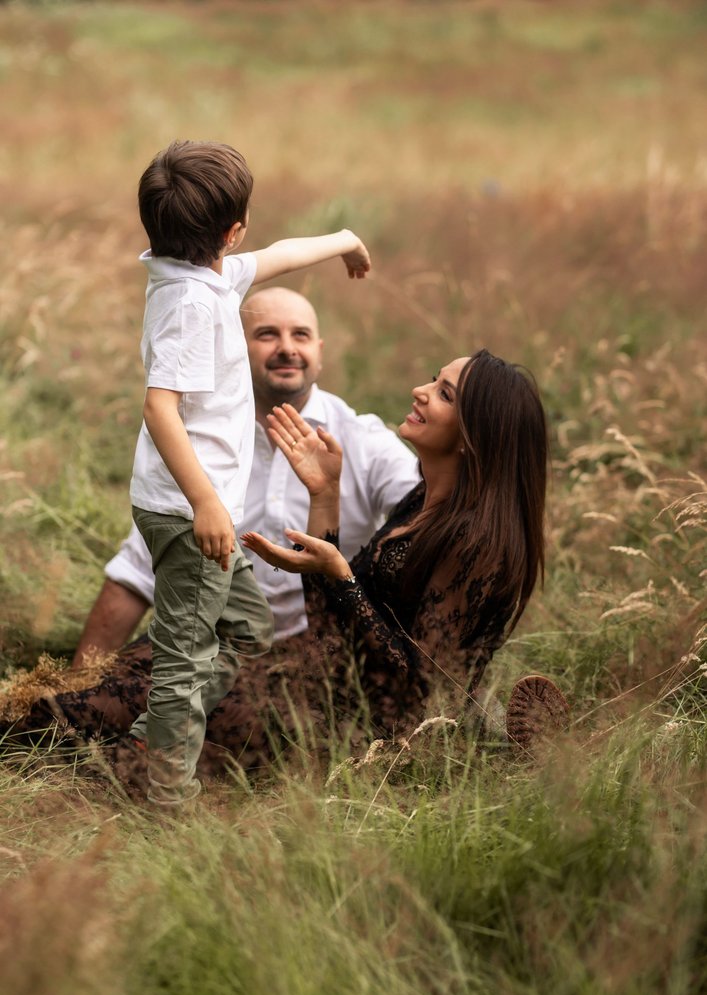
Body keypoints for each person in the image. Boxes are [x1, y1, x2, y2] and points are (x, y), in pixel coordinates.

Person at [2, 349, 568, 782]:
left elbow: (415, 690)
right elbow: (329, 629)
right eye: (433, 379)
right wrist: (325, 496)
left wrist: (340, 576)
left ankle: (500, 742)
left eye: (443, 393)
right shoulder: (425, 501)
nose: (420, 391)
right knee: (151, 664)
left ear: (473, 435)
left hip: (344, 725)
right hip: (310, 674)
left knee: (114, 714)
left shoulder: (477, 544)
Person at [125, 139, 371, 807]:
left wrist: (345, 240)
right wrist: (206, 503)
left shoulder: (206, 275)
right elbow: (159, 408)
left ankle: (155, 736)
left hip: (200, 509)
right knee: (184, 659)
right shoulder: (188, 304)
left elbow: (280, 254)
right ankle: (167, 799)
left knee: (247, 629)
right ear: (232, 232)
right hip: (191, 512)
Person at [71, 287, 420, 666]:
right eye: (267, 334)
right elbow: (137, 570)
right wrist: (78, 679)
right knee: (101, 693)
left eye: (300, 335)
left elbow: (431, 514)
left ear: (319, 351)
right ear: (235, 350)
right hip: (212, 641)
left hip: (325, 656)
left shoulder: (364, 439)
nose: (287, 348)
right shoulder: (199, 443)